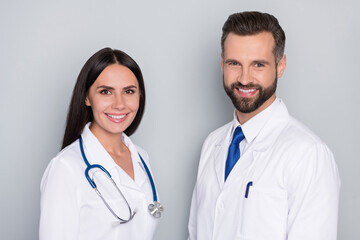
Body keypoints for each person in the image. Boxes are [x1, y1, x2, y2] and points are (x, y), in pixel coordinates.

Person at [188, 11, 340, 240]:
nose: (245, 78)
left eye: (258, 64)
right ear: (222, 63)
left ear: (280, 66)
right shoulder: (212, 144)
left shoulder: (308, 154)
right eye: (234, 63)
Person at [40, 47, 162, 240]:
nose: (119, 104)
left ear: (140, 96)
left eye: (129, 91)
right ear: (87, 97)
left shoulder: (141, 157)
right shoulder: (66, 168)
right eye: (106, 92)